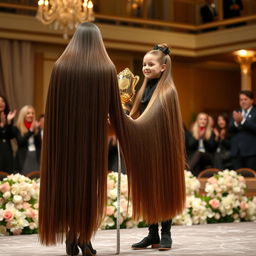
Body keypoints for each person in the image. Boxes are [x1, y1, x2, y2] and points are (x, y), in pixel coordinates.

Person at [39, 23, 185, 256]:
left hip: (63, 144)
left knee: (67, 186)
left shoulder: (60, 67)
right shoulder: (105, 67)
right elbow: (115, 112)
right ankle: (84, 239)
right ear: (97, 40)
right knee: (87, 187)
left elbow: (54, 111)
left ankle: (70, 234)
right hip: (92, 141)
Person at [130, 44, 182, 251]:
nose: (145, 67)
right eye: (144, 64)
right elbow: (139, 116)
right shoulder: (144, 89)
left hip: (162, 149)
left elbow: (155, 119)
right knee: (148, 191)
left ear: (163, 67)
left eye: (150, 64)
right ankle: (152, 234)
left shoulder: (168, 91)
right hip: (145, 147)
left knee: (164, 190)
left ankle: (166, 233)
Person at [229, 90, 256, 170]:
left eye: (245, 99)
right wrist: (236, 123)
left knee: (250, 179)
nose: (243, 102)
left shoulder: (255, 112)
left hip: (251, 152)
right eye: (241, 100)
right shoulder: (236, 112)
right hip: (236, 152)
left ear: (252, 100)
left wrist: (243, 121)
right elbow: (229, 129)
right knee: (237, 178)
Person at [13, 105, 41, 175]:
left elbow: (40, 144)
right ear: (23, 115)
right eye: (28, 113)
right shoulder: (17, 127)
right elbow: (20, 142)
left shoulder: (37, 127)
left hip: (35, 156)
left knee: (35, 177)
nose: (31, 115)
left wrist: (36, 131)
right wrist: (30, 131)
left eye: (32, 113)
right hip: (24, 157)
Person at [188, 112, 216, 176]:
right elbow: (190, 146)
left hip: (207, 156)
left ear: (207, 121)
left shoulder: (211, 132)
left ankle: (187, 171)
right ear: (197, 120)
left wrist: (204, 138)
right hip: (195, 156)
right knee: (197, 156)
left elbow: (212, 147)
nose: (203, 121)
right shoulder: (192, 131)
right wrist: (198, 137)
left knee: (199, 153)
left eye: (205, 119)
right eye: (201, 119)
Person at [0, 95, 16, 173]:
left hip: (7, 150)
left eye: (3, 101)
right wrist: (2, 125)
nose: (1, 103)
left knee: (8, 174)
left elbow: (11, 136)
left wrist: (8, 123)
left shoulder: (9, 116)